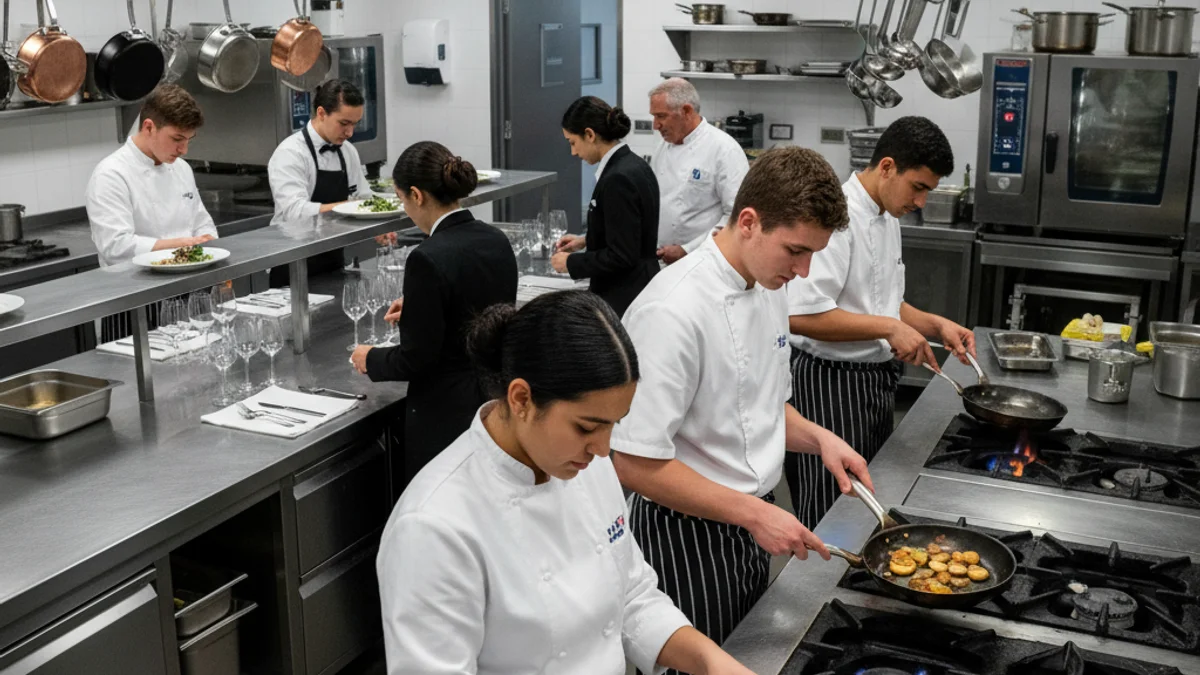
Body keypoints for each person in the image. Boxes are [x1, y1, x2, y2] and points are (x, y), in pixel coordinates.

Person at [377, 290, 755, 675]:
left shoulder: (582, 463)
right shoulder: (433, 527)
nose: (604, 449)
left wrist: (713, 664)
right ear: (521, 398)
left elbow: (632, 598)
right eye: (587, 426)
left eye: (614, 424)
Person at [610, 147, 874, 665]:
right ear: (748, 222)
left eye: (813, 255)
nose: (803, 270)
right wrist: (754, 512)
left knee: (748, 658)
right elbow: (633, 460)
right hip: (685, 538)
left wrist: (820, 438)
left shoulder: (768, 282)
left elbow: (761, 405)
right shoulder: (673, 310)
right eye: (795, 250)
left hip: (753, 525)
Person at [784, 116, 976, 529]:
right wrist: (889, 330)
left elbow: (883, 302)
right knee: (832, 510)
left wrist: (933, 324)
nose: (921, 202)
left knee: (865, 503)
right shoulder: (837, 217)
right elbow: (800, 314)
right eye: (918, 187)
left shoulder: (888, 216)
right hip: (829, 385)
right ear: (887, 167)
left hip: (871, 382)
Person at [350, 141, 517, 486]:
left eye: (401, 199)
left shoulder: (427, 256)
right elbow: (481, 305)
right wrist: (419, 306)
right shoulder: (494, 237)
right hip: (494, 400)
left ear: (416, 194)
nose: (404, 208)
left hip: (447, 412)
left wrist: (372, 359)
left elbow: (418, 359)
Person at [551, 96, 659, 317]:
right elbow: (628, 233)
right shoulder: (634, 164)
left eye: (572, 142)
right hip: (640, 285)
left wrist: (571, 263)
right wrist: (585, 240)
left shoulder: (617, 178)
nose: (573, 152)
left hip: (624, 296)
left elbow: (622, 256)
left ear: (590, 135)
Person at [86, 84, 216, 267]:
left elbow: (201, 223)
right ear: (148, 128)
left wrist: (208, 241)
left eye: (189, 140)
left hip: (189, 282)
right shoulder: (111, 175)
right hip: (138, 288)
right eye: (177, 139)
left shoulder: (182, 169)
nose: (184, 150)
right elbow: (115, 247)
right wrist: (179, 246)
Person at [267, 79, 374, 285]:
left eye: (354, 124)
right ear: (322, 113)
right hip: (293, 263)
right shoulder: (291, 153)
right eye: (344, 123)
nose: (350, 133)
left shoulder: (348, 151)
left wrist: (378, 226)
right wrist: (348, 207)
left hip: (333, 260)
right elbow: (294, 212)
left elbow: (363, 197)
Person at [648, 78, 748, 265]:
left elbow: (736, 216)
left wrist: (688, 249)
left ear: (686, 111)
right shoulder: (661, 148)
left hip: (705, 260)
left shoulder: (724, 149)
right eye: (653, 117)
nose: (655, 125)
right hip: (662, 258)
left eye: (661, 116)